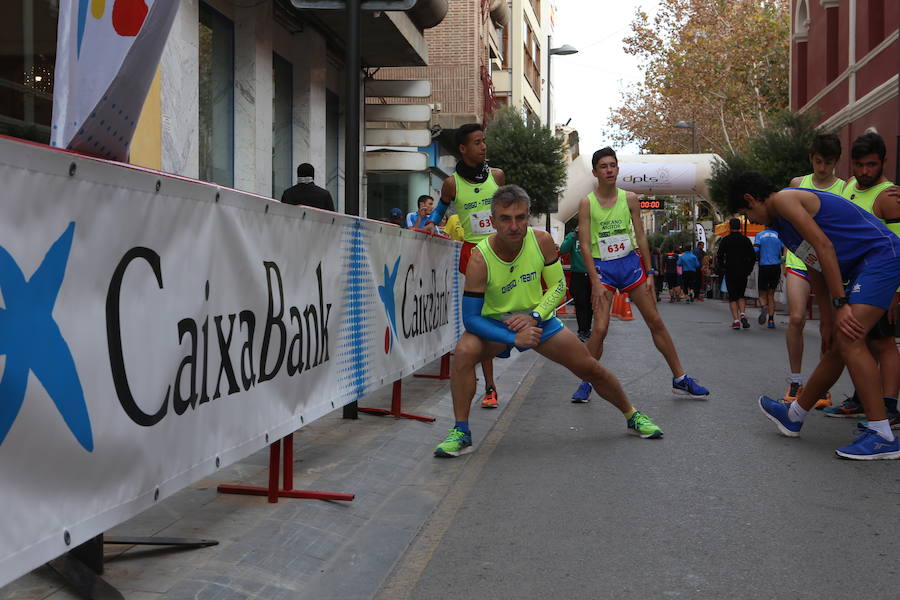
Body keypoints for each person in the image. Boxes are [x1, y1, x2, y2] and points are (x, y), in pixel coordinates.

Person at [433, 185, 664, 457]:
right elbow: (470, 319)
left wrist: (534, 317)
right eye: (505, 219)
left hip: (537, 319)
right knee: (464, 352)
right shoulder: (479, 258)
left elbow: (556, 288)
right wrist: (512, 337)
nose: (514, 225)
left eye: (520, 217)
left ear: (528, 217)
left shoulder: (541, 240)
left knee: (590, 368)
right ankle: (461, 431)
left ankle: (632, 415)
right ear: (492, 221)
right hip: (497, 325)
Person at [727, 171, 900, 459]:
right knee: (837, 344)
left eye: (747, 212)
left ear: (750, 199)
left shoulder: (784, 200)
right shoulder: (782, 226)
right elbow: (816, 264)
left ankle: (882, 434)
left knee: (850, 338)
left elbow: (824, 246)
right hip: (863, 266)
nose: (752, 220)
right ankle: (794, 415)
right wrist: (828, 319)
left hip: (882, 257)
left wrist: (841, 303)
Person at [570, 147, 709, 402]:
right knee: (599, 329)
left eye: (613, 165)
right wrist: (595, 281)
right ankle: (586, 381)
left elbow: (641, 236)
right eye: (604, 166)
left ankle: (680, 379)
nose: (609, 170)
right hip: (605, 270)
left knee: (655, 321)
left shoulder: (630, 198)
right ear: (595, 172)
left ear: (618, 169)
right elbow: (586, 245)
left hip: (630, 266)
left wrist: (651, 272)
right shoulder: (586, 203)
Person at [425, 123, 507, 409]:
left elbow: (510, 211)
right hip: (472, 257)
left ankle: (500, 351)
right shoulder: (451, 184)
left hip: (500, 253)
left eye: (484, 141)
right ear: (463, 149)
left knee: (494, 320)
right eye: (477, 142)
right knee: (478, 323)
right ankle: (490, 387)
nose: (483, 146)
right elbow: (440, 209)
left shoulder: (497, 177)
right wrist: (430, 224)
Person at [822, 131, 900, 427]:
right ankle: (861, 399)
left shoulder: (889, 197)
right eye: (859, 165)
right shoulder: (851, 187)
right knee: (861, 342)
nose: (865, 171)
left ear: (883, 162)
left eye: (871, 165)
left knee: (884, 342)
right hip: (856, 278)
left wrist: (896, 291)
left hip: (882, 280)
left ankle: (889, 407)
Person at [783, 133, 844, 405]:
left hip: (829, 263)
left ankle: (821, 386)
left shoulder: (845, 188)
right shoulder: (798, 184)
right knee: (796, 318)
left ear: (836, 162)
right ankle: (795, 382)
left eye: (828, 163)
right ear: (811, 159)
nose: (822, 168)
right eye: (818, 162)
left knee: (827, 327)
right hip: (799, 259)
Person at [716, 218, 755, 329]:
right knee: (741, 295)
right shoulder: (746, 240)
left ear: (729, 227)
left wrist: (723, 267)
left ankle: (736, 320)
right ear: (740, 227)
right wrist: (749, 269)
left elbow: (719, 256)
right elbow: (752, 256)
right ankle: (742, 313)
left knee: (733, 296)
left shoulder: (725, 240)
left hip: (730, 271)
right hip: (743, 271)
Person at [559, 226, 594, 344]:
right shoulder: (572, 236)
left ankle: (587, 328)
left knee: (591, 303)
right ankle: (582, 330)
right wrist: (574, 235)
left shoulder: (593, 232)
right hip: (578, 274)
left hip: (593, 273)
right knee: (580, 303)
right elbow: (563, 249)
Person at [754, 226, 783, 328]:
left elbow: (755, 249)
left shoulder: (760, 235)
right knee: (771, 295)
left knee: (762, 294)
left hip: (764, 266)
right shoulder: (779, 235)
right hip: (776, 266)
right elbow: (783, 249)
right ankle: (771, 321)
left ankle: (763, 306)